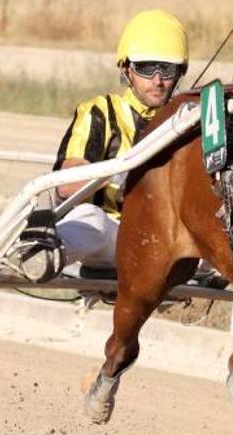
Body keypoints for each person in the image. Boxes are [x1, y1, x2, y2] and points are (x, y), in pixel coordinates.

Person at [52, 9, 189, 274]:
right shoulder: (101, 111)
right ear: (127, 69)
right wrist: (119, 174)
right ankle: (40, 255)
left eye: (167, 69)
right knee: (90, 220)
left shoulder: (186, 120)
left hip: (168, 242)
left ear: (179, 72)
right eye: (146, 69)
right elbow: (66, 186)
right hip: (113, 234)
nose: (158, 80)